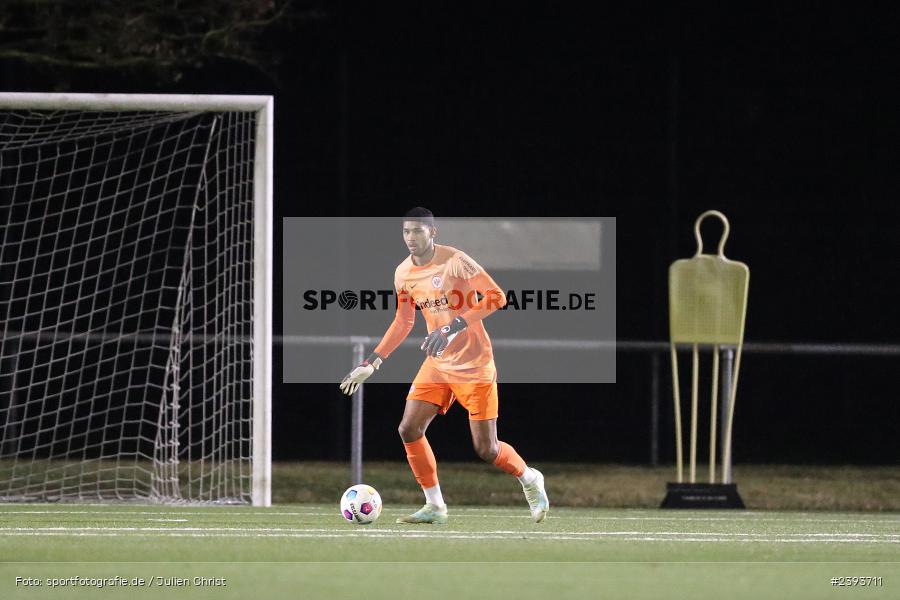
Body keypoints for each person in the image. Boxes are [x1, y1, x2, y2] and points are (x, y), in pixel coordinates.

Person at [340, 207, 549, 524]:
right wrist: (373, 361)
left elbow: (496, 296)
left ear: (432, 232)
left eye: (418, 231)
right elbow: (404, 320)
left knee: (486, 449)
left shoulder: (455, 260)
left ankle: (530, 479)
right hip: (437, 364)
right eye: (406, 231)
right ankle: (435, 506)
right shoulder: (402, 273)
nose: (411, 237)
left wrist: (452, 327)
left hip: (474, 364)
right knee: (408, 428)